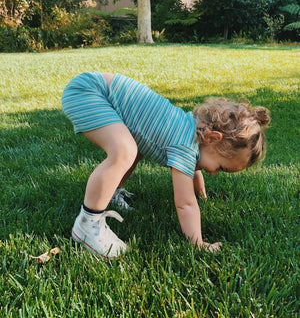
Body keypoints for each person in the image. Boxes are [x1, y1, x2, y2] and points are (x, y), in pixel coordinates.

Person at [61, 71, 270, 258]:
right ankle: (88, 223)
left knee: (135, 149)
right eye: (221, 167)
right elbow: (185, 204)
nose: (214, 173)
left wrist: (200, 187)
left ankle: (113, 192)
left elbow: (194, 168)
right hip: (90, 92)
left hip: (95, 88)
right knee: (125, 151)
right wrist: (198, 243)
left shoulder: (189, 130)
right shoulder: (185, 145)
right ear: (213, 139)